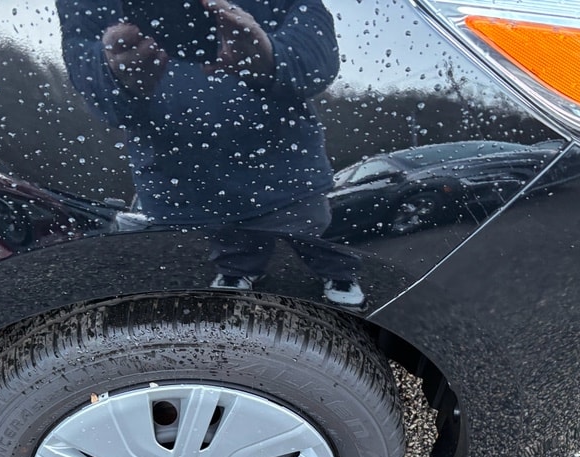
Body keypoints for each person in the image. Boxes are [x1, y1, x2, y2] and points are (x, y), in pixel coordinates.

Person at [57, 0, 363, 305]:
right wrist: (113, 74)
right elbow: (87, 68)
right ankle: (237, 269)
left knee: (310, 228)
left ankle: (338, 271)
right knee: (229, 236)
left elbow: (315, 47)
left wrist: (274, 58)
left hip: (285, 171)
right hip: (186, 181)